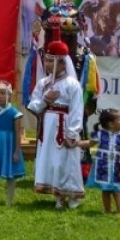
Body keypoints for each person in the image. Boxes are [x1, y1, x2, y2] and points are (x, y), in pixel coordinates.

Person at [28, 37, 85, 209]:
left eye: (51, 61)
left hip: (64, 126)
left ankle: (72, 195)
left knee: (65, 160)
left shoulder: (72, 84)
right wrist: (45, 100)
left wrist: (72, 133)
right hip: (47, 126)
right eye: (46, 60)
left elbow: (76, 110)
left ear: (62, 64)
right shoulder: (43, 83)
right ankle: (58, 196)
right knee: (51, 160)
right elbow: (33, 106)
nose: (47, 64)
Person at [86, 108, 120, 214]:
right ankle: (107, 211)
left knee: (117, 191)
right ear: (111, 124)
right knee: (105, 190)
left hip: (116, 168)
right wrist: (75, 143)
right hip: (103, 167)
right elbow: (89, 143)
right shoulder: (100, 135)